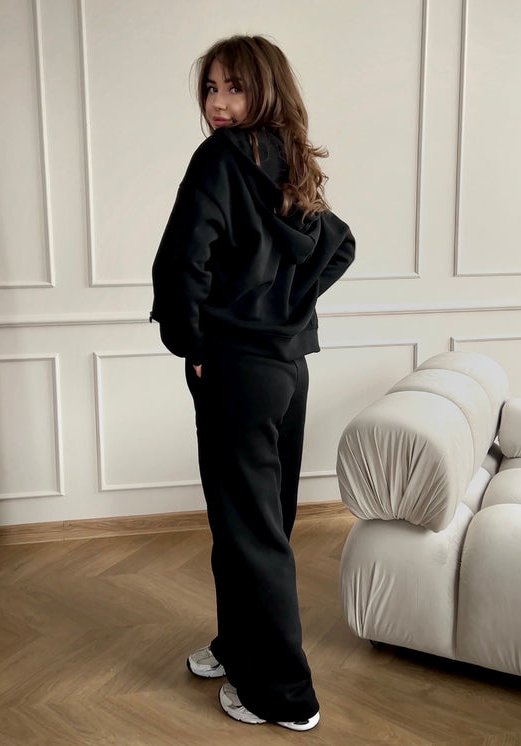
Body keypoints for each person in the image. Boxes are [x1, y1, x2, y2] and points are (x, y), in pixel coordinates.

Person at [151, 34, 355, 732]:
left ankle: (283, 695)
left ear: (265, 88)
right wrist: (284, 313)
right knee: (261, 523)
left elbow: (180, 262)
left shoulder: (221, 157)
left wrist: (193, 343)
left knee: (248, 529)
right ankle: (238, 645)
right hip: (288, 370)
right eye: (210, 88)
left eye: (233, 87)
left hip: (239, 370)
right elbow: (339, 245)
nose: (218, 103)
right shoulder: (289, 160)